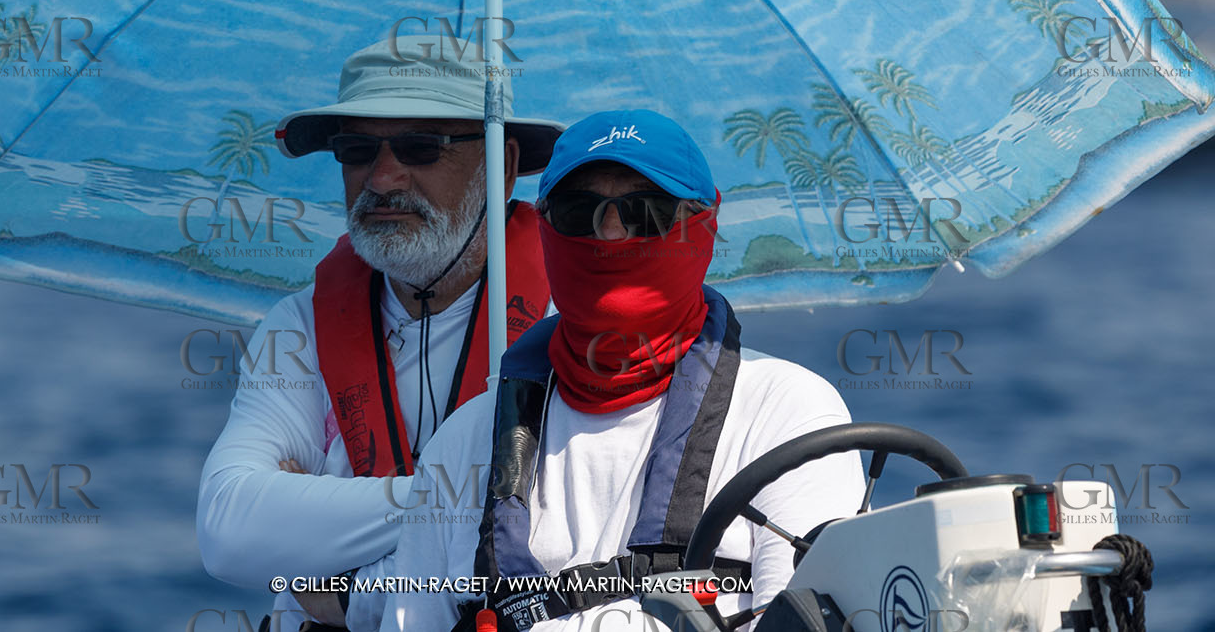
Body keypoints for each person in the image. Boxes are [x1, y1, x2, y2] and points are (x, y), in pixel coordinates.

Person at [330, 109, 864, 632]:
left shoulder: (789, 415)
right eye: (578, 210)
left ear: (705, 222)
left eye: (645, 210)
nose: (609, 235)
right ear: (543, 225)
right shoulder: (465, 442)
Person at [196, 36, 563, 625]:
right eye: (358, 149)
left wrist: (332, 569)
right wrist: (470, 499)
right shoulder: (299, 328)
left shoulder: (561, 329)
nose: (384, 177)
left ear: (504, 164)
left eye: (422, 147)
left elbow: (567, 547)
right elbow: (229, 530)